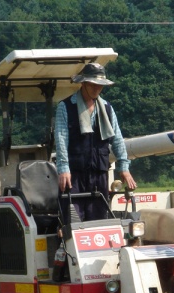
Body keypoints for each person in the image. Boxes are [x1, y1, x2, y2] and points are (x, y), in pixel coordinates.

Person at [55, 62, 136, 222]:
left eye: (100, 86)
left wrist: (123, 167)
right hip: (74, 174)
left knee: (99, 219)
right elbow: (61, 139)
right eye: (93, 85)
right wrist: (64, 168)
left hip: (99, 172)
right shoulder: (65, 107)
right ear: (83, 83)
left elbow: (117, 139)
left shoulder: (106, 108)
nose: (97, 89)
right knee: (72, 220)